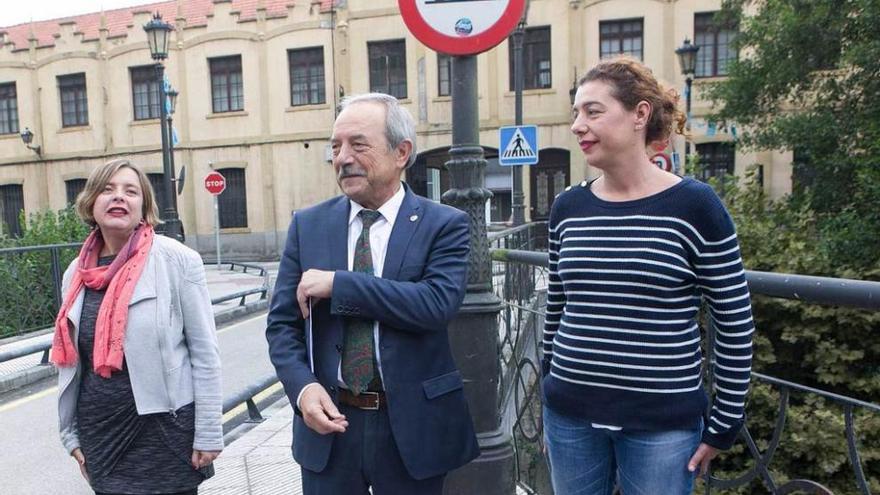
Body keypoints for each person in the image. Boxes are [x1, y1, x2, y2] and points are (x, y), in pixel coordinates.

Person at [542, 57, 755, 495]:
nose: (578, 126)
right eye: (575, 114)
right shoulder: (568, 208)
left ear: (640, 114)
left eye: (593, 112)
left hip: (661, 427)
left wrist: (726, 419)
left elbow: (733, 318)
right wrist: (549, 386)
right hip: (570, 418)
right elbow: (557, 307)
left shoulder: (696, 206)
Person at [266, 92, 479, 494]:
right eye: (335, 147)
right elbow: (281, 327)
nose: (343, 157)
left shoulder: (443, 224)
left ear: (401, 152)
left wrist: (339, 284)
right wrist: (302, 388)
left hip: (413, 430)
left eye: (358, 145)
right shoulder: (308, 225)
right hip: (329, 428)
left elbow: (435, 305)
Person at [52, 159, 223, 495]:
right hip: (101, 435)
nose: (119, 198)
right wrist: (70, 434)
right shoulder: (76, 273)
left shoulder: (177, 260)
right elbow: (73, 362)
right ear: (91, 203)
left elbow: (205, 353)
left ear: (143, 205)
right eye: (107, 190)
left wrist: (208, 432)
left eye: (130, 191)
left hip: (166, 429)